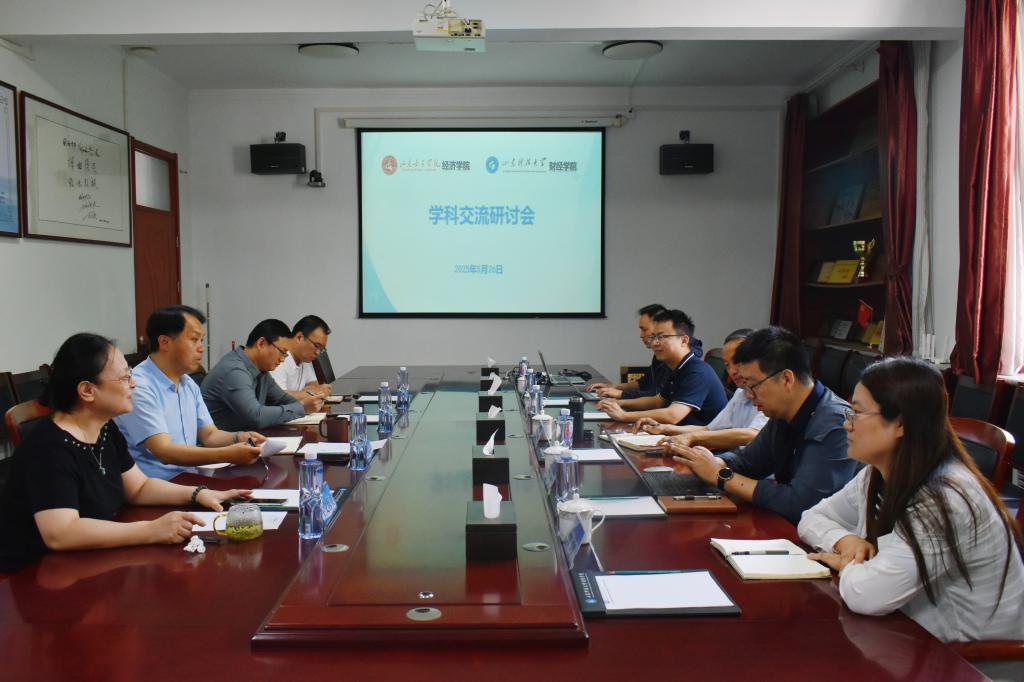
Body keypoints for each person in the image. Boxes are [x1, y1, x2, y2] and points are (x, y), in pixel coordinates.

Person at [799, 357, 1024, 643]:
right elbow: (811, 518)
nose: (847, 424)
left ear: (900, 424)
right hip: (910, 631)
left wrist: (847, 564)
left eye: (856, 413)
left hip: (971, 657)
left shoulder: (945, 499)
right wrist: (845, 542)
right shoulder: (880, 472)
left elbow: (866, 596)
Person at [0, 333, 249, 573]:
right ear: (87, 390)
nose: (134, 383)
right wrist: (151, 530)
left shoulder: (105, 428)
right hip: (37, 574)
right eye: (124, 377)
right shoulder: (48, 447)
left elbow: (138, 487)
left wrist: (199, 493)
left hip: (89, 562)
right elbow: (62, 533)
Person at [668, 326, 859, 524]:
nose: (749, 395)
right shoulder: (783, 413)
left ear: (786, 379)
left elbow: (803, 504)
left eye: (753, 385)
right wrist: (709, 463)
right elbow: (749, 461)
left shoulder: (836, 423)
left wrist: (721, 476)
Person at [114, 305, 265, 480]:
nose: (201, 348)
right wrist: (228, 454)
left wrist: (240, 437)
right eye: (194, 339)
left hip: (189, 478)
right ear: (164, 342)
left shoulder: (188, 383)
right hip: (156, 486)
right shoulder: (139, 387)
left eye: (202, 340)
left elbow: (209, 435)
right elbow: (164, 451)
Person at [635, 328, 768, 450]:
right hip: (735, 459)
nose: (732, 371)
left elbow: (753, 434)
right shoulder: (741, 393)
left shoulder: (698, 371)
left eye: (738, 362)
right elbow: (709, 430)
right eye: (727, 365)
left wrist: (692, 437)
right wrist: (664, 428)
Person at [597, 309, 726, 426]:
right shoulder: (677, 367)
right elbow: (657, 401)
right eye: (653, 337)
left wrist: (624, 416)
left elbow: (673, 415)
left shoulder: (697, 372)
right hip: (679, 437)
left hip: (704, 443)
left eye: (662, 337)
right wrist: (618, 403)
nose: (654, 343)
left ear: (684, 340)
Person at [201, 319, 323, 431]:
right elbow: (256, 416)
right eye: (282, 352)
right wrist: (301, 407)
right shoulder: (234, 371)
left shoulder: (261, 370)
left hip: (245, 438)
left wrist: (306, 404)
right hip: (221, 444)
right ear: (261, 344)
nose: (282, 359)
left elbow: (282, 399)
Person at [588, 304, 668, 399]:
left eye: (644, 329)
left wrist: (621, 394)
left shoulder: (673, 360)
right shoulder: (659, 355)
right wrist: (614, 387)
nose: (641, 335)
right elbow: (644, 382)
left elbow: (658, 395)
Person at [270, 314, 333, 400]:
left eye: (321, 349)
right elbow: (278, 396)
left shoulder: (304, 358)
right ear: (299, 337)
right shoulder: (279, 357)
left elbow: (313, 384)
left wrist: (306, 393)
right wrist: (312, 393)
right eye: (316, 346)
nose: (317, 353)